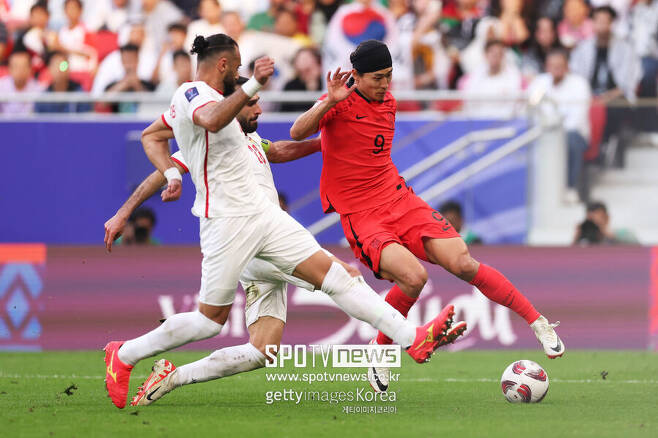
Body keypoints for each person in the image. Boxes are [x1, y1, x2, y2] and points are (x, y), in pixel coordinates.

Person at [103, 33, 462, 410]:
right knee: (210, 323)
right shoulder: (193, 97)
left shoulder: (249, 141)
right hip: (228, 224)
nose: (255, 108)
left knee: (320, 296)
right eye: (242, 79)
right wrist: (140, 199)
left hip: (267, 220)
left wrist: (339, 139)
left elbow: (278, 146)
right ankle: (125, 354)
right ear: (225, 68)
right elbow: (198, 124)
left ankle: (412, 338)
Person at [290, 39, 565, 392]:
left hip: (398, 199)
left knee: (463, 261)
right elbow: (297, 132)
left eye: (389, 76)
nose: (385, 84)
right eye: (377, 77)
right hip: (362, 215)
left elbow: (360, 148)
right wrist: (328, 100)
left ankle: (538, 321)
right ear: (355, 76)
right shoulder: (339, 101)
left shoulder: (388, 103)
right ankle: (381, 350)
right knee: (414, 277)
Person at [570, 6, 641, 168]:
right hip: (587, 96)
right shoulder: (583, 47)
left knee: (614, 108)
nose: (601, 25)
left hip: (614, 97)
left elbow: (627, 83)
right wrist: (590, 98)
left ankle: (607, 146)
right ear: (592, 23)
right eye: (598, 21)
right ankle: (590, 153)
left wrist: (604, 99)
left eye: (605, 21)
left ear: (612, 23)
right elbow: (576, 78)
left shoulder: (624, 48)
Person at [528, 48, 591, 202]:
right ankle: (534, 190)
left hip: (573, 133)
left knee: (570, 140)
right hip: (542, 133)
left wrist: (555, 133)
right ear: (547, 67)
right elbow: (530, 111)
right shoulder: (539, 83)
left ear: (567, 66)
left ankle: (570, 187)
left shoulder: (579, 84)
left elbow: (577, 118)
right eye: (553, 65)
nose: (556, 69)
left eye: (560, 65)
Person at [462, 39, 522, 118]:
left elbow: (515, 105)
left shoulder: (513, 75)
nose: (495, 57)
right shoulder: (476, 75)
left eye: (499, 54)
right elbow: (469, 102)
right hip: (478, 119)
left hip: (504, 121)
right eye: (492, 53)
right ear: (485, 55)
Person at [0, 50, 43, 115]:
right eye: (16, 66)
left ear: (30, 69)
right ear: (9, 69)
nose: (20, 70)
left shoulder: (39, 89)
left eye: (24, 66)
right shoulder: (1, 86)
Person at [280, 47, 323, 112]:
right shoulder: (290, 86)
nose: (303, 62)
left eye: (306, 59)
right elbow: (284, 111)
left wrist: (313, 84)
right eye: (300, 59)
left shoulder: (324, 82)